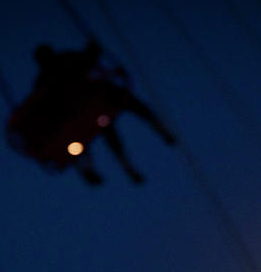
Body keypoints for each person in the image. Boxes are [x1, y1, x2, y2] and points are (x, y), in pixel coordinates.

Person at [20, 40, 176, 185]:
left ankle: (155, 137)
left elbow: (86, 60)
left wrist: (93, 51)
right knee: (96, 130)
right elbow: (87, 60)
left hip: (93, 101)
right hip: (90, 105)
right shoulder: (57, 68)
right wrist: (93, 50)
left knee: (102, 126)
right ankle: (120, 164)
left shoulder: (49, 74)